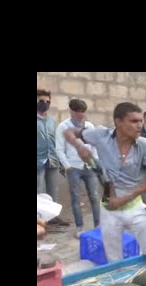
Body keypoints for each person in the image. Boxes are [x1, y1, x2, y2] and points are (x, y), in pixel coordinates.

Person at [64, 102, 146, 263]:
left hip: (135, 206)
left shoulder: (144, 145)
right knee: (114, 259)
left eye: (140, 121)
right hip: (109, 207)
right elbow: (69, 132)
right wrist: (80, 146)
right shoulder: (101, 136)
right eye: (133, 121)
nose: (139, 126)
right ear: (118, 122)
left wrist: (125, 198)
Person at [56, 99, 100, 238]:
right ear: (71, 111)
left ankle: (98, 225)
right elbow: (59, 149)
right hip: (73, 167)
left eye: (83, 112)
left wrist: (96, 162)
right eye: (78, 112)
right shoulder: (63, 127)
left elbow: (94, 145)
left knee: (94, 196)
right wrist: (67, 166)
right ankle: (80, 227)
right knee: (75, 198)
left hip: (89, 166)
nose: (81, 115)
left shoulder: (89, 126)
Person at [37, 89, 69, 226]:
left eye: (47, 101)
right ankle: (39, 220)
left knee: (53, 190)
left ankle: (53, 217)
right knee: (39, 192)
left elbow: (57, 140)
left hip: (52, 160)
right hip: (38, 160)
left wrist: (62, 161)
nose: (45, 104)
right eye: (41, 101)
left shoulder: (52, 121)